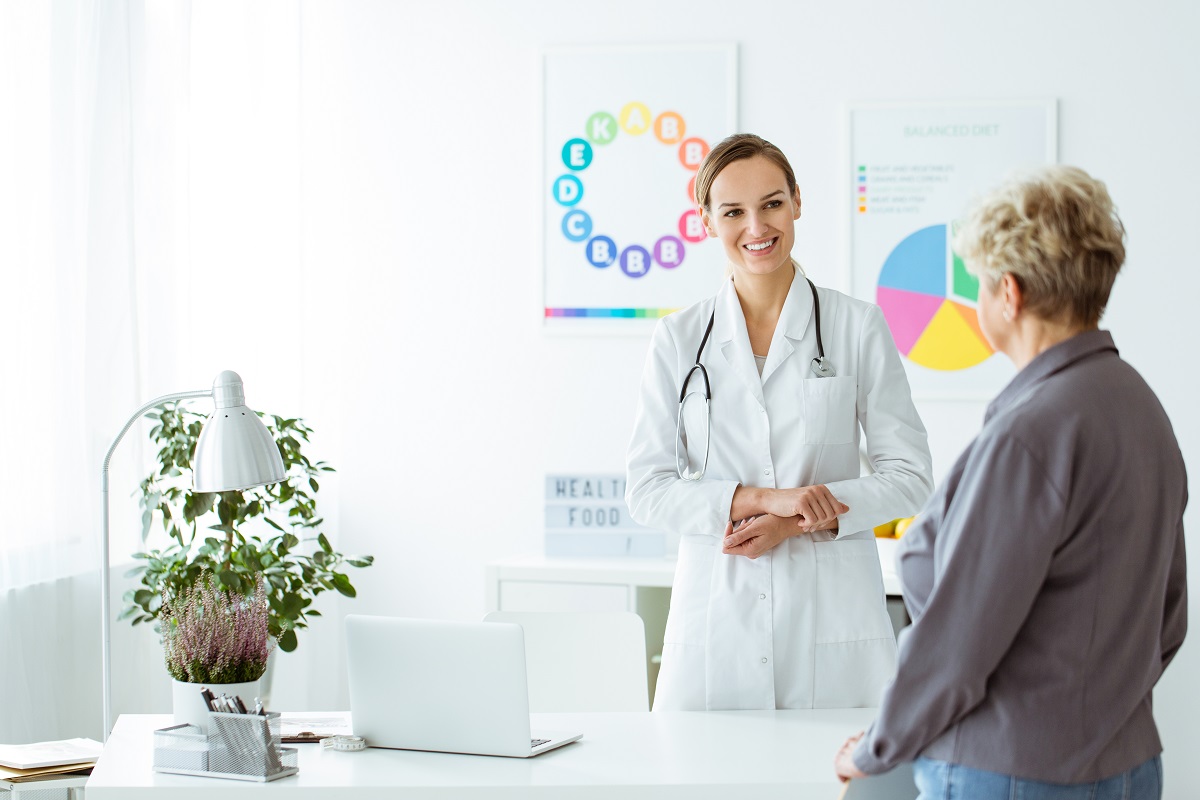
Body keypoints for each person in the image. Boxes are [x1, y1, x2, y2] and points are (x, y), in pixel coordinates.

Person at [834, 165, 1188, 798]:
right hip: (1130, 765)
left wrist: (875, 748)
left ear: (1010, 293)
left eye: (978, 285)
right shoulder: (1140, 408)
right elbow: (1167, 620)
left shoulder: (1030, 433)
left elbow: (957, 642)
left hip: (1013, 771)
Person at [625, 133, 934, 711]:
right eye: (733, 212)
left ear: (796, 201)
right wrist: (765, 500)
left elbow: (911, 476)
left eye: (771, 203)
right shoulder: (678, 339)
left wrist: (794, 522)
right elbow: (647, 491)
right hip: (719, 615)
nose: (756, 227)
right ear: (706, 220)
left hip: (835, 622)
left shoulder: (857, 327)